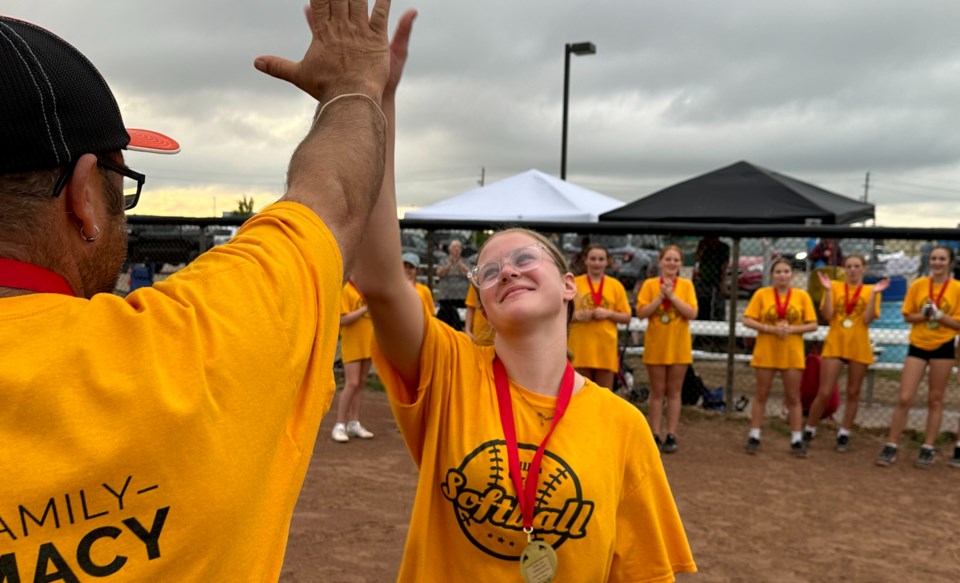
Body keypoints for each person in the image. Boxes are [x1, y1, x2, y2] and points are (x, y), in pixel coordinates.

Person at [0, 4, 400, 580]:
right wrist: (354, 82)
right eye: (122, 188)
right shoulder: (193, 347)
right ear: (82, 198)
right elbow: (331, 198)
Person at [349, 33, 696, 582]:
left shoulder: (623, 426)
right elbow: (380, 278)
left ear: (567, 285)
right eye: (489, 270)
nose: (506, 270)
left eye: (523, 257)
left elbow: (641, 573)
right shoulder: (450, 373)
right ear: (482, 305)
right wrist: (376, 102)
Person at [875, 245, 960, 468]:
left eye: (942, 259)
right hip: (918, 345)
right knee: (904, 397)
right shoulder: (919, 285)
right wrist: (924, 316)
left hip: (943, 346)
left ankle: (928, 447)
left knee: (935, 398)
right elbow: (907, 316)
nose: (937, 263)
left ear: (950, 262)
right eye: (934, 258)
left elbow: (958, 324)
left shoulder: (957, 288)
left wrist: (940, 316)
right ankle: (891, 444)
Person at [803, 255, 889, 452]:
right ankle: (810, 428)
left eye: (857, 266)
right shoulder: (834, 286)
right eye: (849, 266)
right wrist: (826, 290)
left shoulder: (871, 290)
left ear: (863, 269)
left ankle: (844, 433)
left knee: (853, 392)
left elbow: (867, 319)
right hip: (836, 343)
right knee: (824, 391)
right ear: (844, 269)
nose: (852, 270)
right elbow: (827, 315)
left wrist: (875, 294)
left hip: (858, 344)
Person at [741, 258, 818, 457]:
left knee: (793, 397)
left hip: (791, 352)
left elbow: (812, 324)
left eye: (786, 271)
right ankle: (755, 434)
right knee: (761, 394)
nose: (782, 275)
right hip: (766, 351)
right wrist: (768, 328)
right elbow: (747, 319)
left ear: (792, 274)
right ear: (772, 275)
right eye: (778, 272)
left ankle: (796, 438)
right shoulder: (762, 294)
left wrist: (792, 329)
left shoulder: (801, 296)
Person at [635, 246, 698, 453]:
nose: (672, 264)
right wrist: (660, 297)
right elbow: (642, 312)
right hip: (656, 346)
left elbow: (691, 313)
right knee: (657, 392)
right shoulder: (651, 285)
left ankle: (671, 434)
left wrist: (672, 296)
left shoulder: (686, 285)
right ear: (661, 262)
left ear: (680, 264)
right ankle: (654, 433)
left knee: (674, 392)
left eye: (676, 260)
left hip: (679, 346)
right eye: (668, 259)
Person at [567, 244, 632, 390]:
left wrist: (608, 314)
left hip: (605, 349)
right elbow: (561, 313)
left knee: (604, 395)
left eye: (601, 259)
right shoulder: (574, 283)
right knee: (579, 395)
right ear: (586, 260)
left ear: (607, 262)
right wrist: (577, 315)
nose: (596, 263)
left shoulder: (615, 286)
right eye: (593, 259)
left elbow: (627, 316)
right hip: (580, 348)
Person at [332, 279, 376, 442]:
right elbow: (343, 319)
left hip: (367, 342)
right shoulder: (347, 290)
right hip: (352, 343)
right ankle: (339, 424)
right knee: (352, 383)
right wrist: (365, 308)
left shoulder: (367, 290)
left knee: (361, 382)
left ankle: (354, 422)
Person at [435, 238, 470, 330]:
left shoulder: (465, 261)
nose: (456, 249)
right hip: (446, 295)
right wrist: (449, 264)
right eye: (454, 247)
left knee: (459, 318)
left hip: (461, 295)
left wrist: (460, 265)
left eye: (459, 247)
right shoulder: (443, 260)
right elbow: (439, 273)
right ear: (450, 249)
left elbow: (470, 274)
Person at [694, 235, 730, 322]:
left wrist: (723, 281)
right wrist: (704, 248)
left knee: (717, 304)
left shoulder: (723, 247)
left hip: (716, 278)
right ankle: (702, 323)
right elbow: (697, 258)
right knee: (702, 303)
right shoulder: (703, 244)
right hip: (703, 278)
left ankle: (718, 324)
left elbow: (724, 265)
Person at [403, 251, 436, 316]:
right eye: (405, 266)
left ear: (417, 271)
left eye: (411, 267)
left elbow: (431, 315)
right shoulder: (394, 289)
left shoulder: (424, 290)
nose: (407, 270)